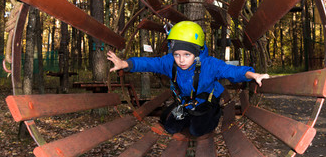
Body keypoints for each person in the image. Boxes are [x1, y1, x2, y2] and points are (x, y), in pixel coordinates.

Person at [107, 21, 269, 137]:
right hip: (186, 103)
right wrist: (125, 64)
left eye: (187, 55)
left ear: (196, 53)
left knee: (196, 131)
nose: (181, 60)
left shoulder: (209, 65)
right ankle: (188, 116)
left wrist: (253, 75)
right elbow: (149, 63)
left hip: (207, 103)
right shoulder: (170, 62)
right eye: (177, 54)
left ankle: (213, 114)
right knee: (169, 126)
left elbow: (232, 71)